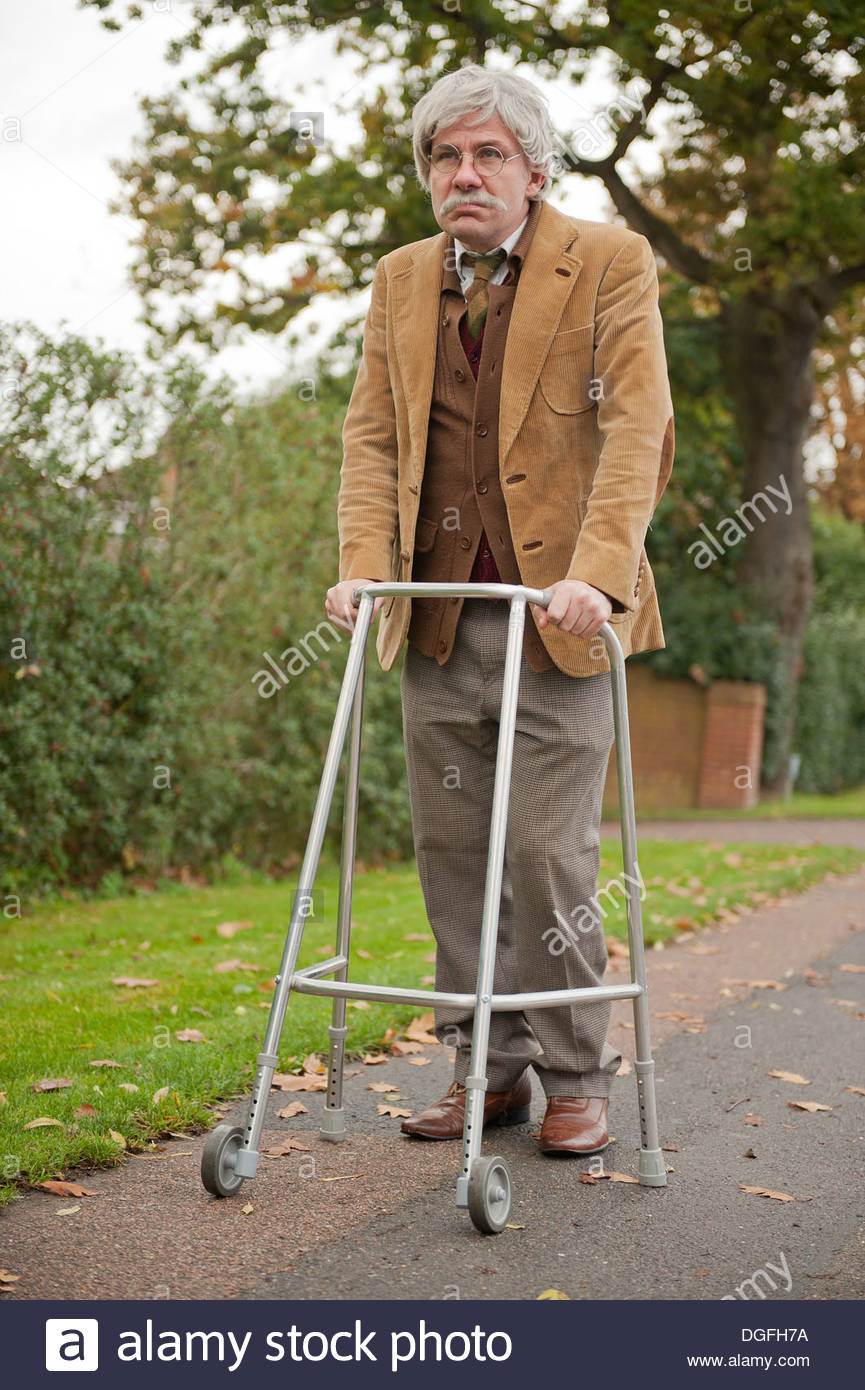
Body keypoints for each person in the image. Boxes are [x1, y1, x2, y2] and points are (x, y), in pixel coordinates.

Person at [325, 64, 674, 1155]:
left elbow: (639, 427)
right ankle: (488, 1067)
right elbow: (373, 436)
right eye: (444, 156)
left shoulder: (608, 260)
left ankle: (576, 1072)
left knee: (546, 853)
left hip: (560, 617)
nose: (462, 174)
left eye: (485, 155)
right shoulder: (398, 278)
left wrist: (598, 573)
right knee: (455, 853)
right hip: (431, 613)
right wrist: (359, 564)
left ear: (534, 169)